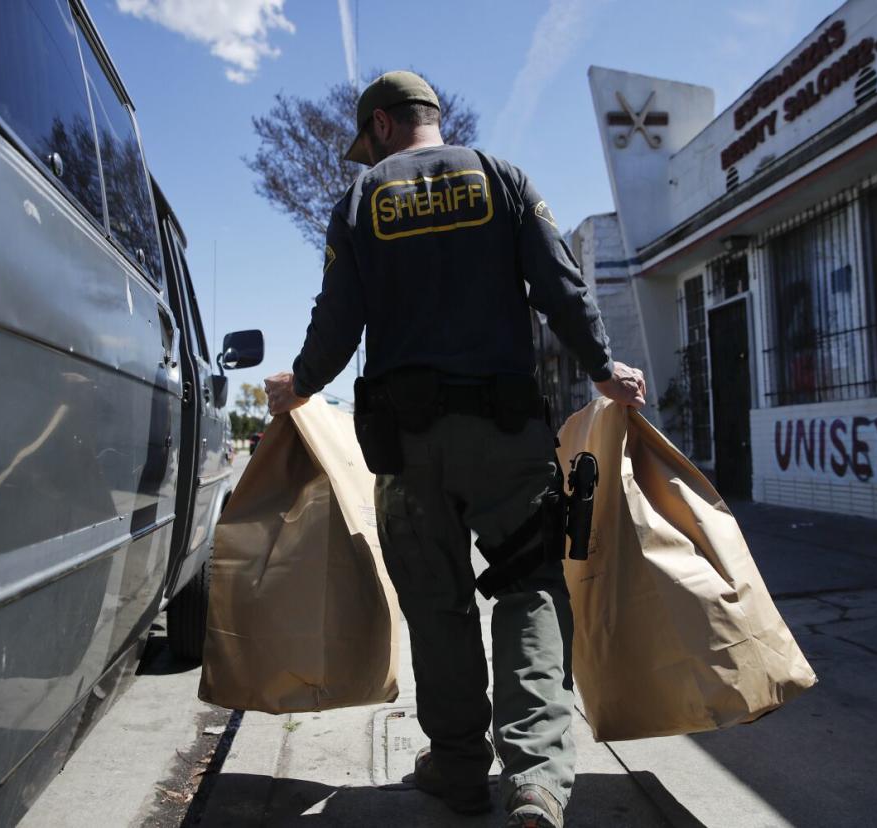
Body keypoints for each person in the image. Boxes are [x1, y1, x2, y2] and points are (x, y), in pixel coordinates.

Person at [264, 71, 645, 828]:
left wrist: (298, 384)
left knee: (436, 608)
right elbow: (561, 286)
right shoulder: (502, 179)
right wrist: (605, 369)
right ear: (434, 119)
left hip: (406, 448)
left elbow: (337, 320)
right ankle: (536, 779)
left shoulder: (361, 200)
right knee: (529, 586)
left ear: (379, 124)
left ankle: (463, 769)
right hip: (506, 437)